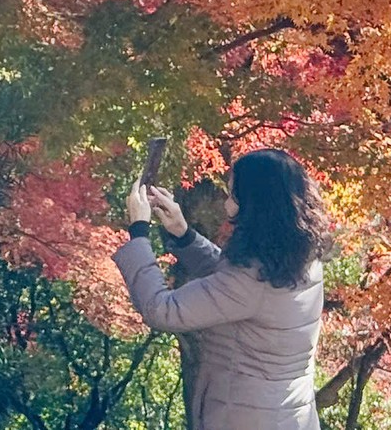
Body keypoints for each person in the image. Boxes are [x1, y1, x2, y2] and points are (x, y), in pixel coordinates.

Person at [112, 148, 331, 430]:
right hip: (287, 415)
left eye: (232, 195)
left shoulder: (252, 280)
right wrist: (184, 235)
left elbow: (162, 309)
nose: (227, 205)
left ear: (255, 204)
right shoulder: (298, 254)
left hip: (248, 418)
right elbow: (231, 282)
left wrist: (138, 231)